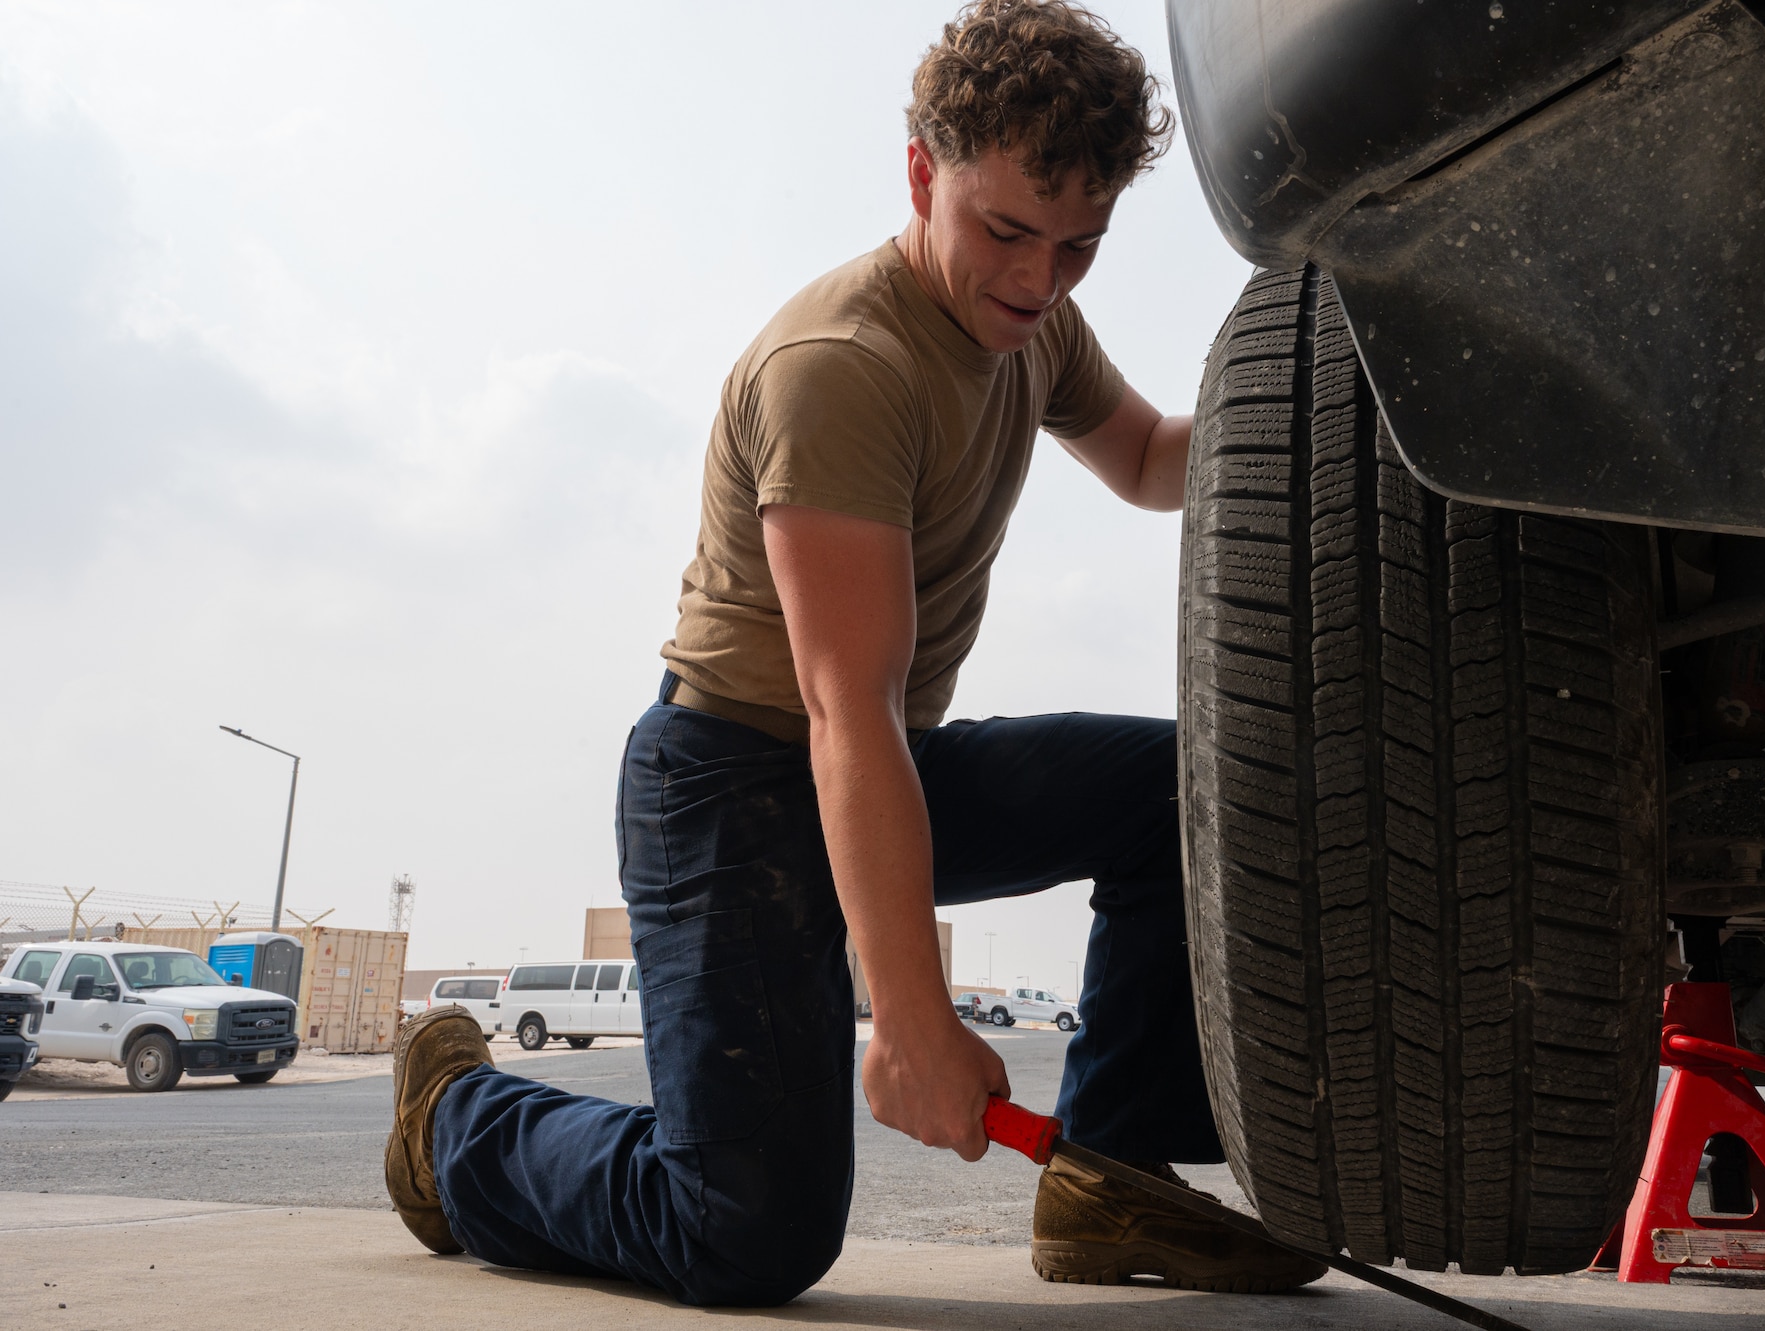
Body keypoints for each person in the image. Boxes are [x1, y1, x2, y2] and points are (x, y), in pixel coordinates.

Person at [385, 0, 1324, 1304]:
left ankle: (1111, 1181)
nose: (1039, 280)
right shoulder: (843, 366)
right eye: (1005, 233)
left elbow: (1157, 458)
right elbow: (847, 709)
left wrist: (1325, 345)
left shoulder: (1034, 323)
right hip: (730, 782)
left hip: (887, 759)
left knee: (1188, 789)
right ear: (922, 173)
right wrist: (918, 1024)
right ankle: (456, 1124)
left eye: (1080, 246)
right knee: (745, 1235)